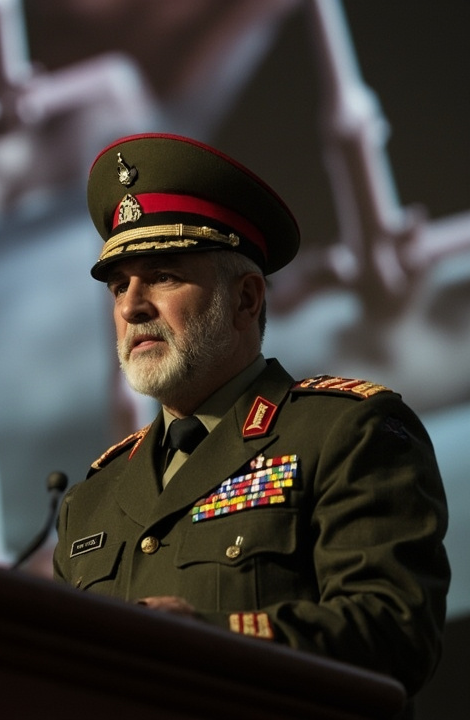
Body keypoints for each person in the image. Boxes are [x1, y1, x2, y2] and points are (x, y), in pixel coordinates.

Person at [52, 133, 450, 710]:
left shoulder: (346, 432)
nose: (131, 306)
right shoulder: (91, 500)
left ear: (246, 299)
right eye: (119, 285)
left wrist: (215, 636)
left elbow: (394, 632)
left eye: (162, 276)